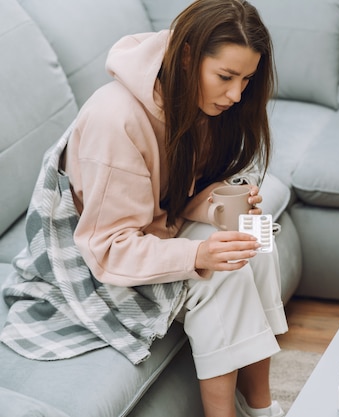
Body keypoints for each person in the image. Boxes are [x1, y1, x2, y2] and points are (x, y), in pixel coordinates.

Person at [0, 1, 288, 416]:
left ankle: (261, 409)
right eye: (225, 77)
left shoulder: (195, 102)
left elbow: (174, 197)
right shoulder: (115, 119)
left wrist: (220, 202)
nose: (236, 95)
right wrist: (198, 255)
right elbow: (108, 248)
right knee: (227, 277)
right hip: (96, 264)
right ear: (187, 57)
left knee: (254, 245)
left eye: (246, 79)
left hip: (155, 234)